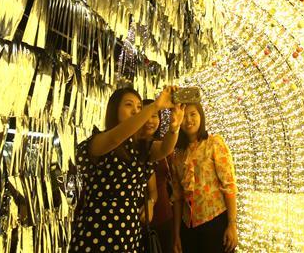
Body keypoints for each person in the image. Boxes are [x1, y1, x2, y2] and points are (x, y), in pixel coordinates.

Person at [70, 86, 184, 252]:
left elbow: (165, 149)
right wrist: (154, 106)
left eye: (139, 107)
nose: (136, 111)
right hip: (97, 232)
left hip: (129, 233)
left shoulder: (140, 148)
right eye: (129, 105)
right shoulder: (99, 140)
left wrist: (174, 127)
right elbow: (115, 138)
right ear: (114, 109)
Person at [170, 103, 238, 253]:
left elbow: (229, 185)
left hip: (215, 221)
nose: (188, 120)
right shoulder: (178, 154)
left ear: (201, 115)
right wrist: (176, 235)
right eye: (184, 116)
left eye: (193, 114)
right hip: (188, 227)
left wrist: (232, 224)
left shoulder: (214, 143)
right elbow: (177, 197)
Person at [140, 99, 175, 253]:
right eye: (146, 115)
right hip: (138, 216)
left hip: (163, 213)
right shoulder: (130, 146)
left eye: (155, 115)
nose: (150, 121)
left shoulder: (164, 145)